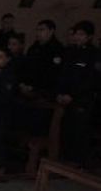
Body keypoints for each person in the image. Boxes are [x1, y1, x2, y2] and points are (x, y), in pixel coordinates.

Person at [56, 20, 99, 167]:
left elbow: (91, 80)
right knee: (66, 129)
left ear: (89, 36)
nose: (78, 37)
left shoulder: (94, 54)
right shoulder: (71, 52)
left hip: (82, 100)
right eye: (76, 34)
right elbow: (63, 74)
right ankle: (65, 159)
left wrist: (73, 95)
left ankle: (77, 162)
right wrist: (60, 92)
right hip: (66, 99)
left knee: (79, 130)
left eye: (82, 34)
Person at [21, 19, 65, 99]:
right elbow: (26, 66)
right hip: (29, 88)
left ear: (51, 31)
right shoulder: (34, 48)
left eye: (42, 30)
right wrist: (24, 83)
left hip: (45, 91)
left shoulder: (57, 49)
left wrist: (35, 87)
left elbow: (54, 73)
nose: (38, 32)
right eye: (37, 30)